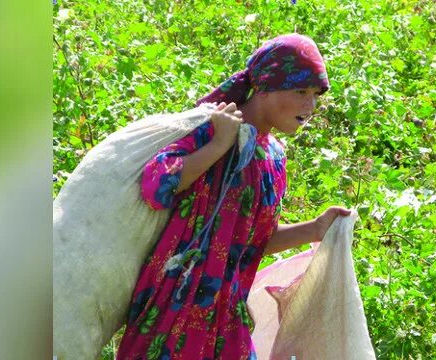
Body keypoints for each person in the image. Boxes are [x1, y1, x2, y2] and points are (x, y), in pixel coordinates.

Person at [116, 33, 351, 360]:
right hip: (174, 316)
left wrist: (314, 229)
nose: (310, 106)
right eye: (300, 91)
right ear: (266, 87)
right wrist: (217, 147)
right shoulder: (212, 128)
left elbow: (253, 242)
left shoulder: (274, 158)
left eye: (315, 95)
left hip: (227, 326)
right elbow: (155, 186)